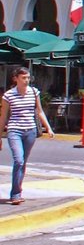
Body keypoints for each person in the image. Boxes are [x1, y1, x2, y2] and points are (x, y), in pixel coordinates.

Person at [3, 66, 53, 205]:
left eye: (28, 78)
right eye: (23, 78)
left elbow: (40, 111)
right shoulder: (8, 95)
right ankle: (15, 193)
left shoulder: (33, 92)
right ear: (16, 79)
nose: (26, 80)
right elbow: (3, 117)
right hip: (14, 130)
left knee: (23, 162)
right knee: (18, 160)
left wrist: (48, 128)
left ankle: (17, 192)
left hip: (30, 130)